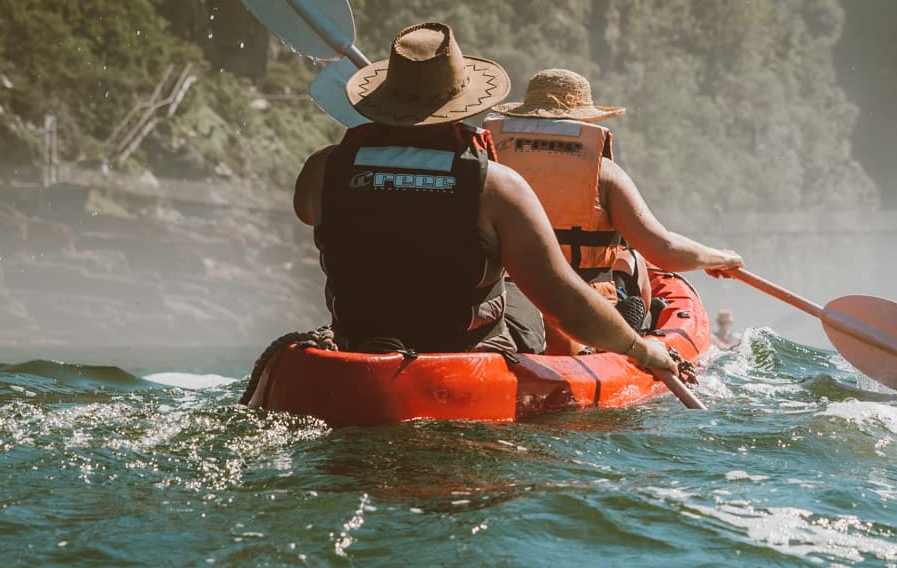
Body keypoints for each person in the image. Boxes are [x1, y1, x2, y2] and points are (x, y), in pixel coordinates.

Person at [289, 22, 680, 378]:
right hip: (464, 362)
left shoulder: (322, 169)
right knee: (518, 291)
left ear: (382, 103)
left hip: (357, 350)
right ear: (462, 107)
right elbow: (566, 305)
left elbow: (311, 213)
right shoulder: (497, 185)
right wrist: (638, 347)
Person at [486, 68, 742, 350]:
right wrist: (720, 258)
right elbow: (664, 250)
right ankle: (627, 330)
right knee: (632, 258)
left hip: (507, 301)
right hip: (585, 313)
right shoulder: (604, 174)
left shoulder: (494, 169)